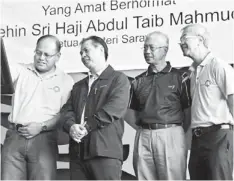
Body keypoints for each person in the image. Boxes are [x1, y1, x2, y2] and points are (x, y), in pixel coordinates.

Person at [1, 35, 74, 180]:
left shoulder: (66, 81)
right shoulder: (20, 70)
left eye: (47, 55)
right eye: (38, 52)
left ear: (58, 56)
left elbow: (64, 115)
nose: (41, 57)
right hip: (14, 137)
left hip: (45, 140)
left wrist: (42, 127)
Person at [60, 35, 130, 180]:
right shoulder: (79, 85)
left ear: (100, 50)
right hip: (78, 154)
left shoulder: (118, 79)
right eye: (81, 53)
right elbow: (67, 111)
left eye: (86, 50)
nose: (83, 55)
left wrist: (87, 126)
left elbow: (114, 109)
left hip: (105, 153)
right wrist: (71, 126)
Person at [128, 31, 191, 180]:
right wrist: (145, 129)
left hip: (171, 134)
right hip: (143, 135)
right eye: (144, 48)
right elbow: (132, 112)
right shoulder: (138, 80)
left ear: (165, 50)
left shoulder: (180, 77)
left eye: (151, 47)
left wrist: (175, 132)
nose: (147, 51)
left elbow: (188, 112)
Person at [179, 24, 234, 180]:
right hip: (198, 140)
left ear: (200, 40)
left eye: (184, 38)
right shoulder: (191, 73)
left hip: (219, 136)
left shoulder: (219, 66)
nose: (181, 43)